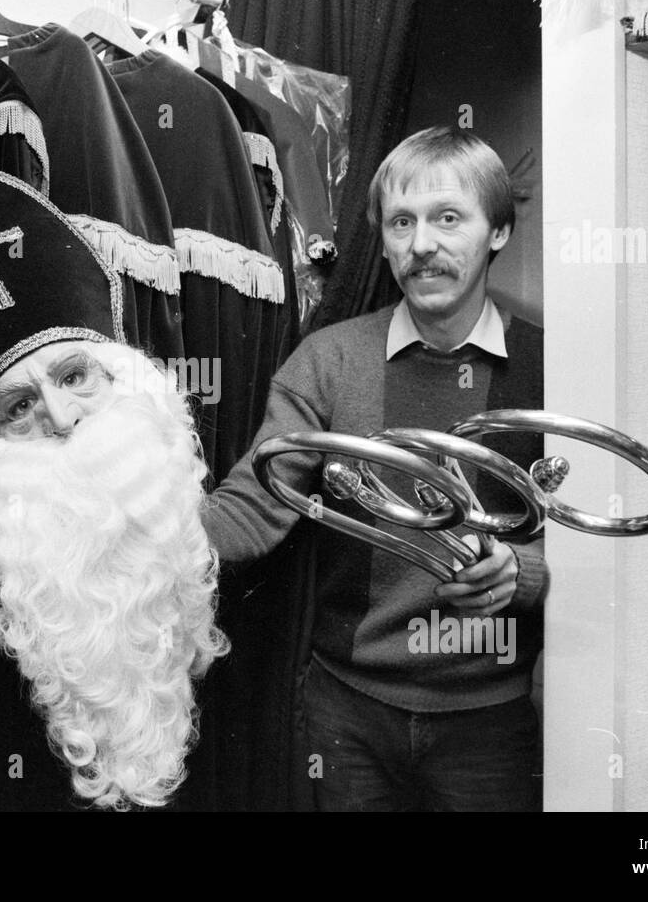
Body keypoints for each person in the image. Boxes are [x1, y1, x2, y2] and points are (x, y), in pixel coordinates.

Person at [201, 126, 548, 811]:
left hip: (489, 721)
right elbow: (254, 504)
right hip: (348, 712)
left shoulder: (551, 365)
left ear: (498, 231)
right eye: (402, 222)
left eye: (449, 218)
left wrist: (524, 571)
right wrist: (136, 531)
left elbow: (592, 537)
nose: (422, 245)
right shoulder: (329, 361)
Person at [0, 158, 228, 810]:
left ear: (127, 381)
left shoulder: (198, 549)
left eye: (75, 376)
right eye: (20, 407)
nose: (63, 416)